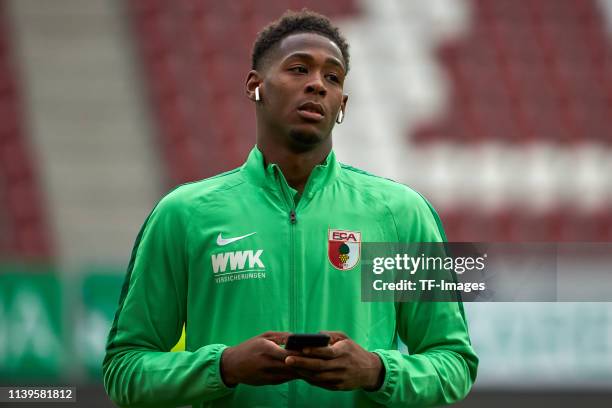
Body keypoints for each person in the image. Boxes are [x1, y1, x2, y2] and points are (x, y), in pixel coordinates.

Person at [103, 9, 478, 408]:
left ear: (343, 104)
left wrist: (376, 371)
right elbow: (125, 370)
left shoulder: (401, 214)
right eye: (299, 69)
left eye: (332, 78)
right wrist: (224, 367)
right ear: (255, 86)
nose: (317, 84)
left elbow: (453, 363)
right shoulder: (184, 214)